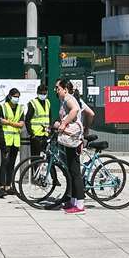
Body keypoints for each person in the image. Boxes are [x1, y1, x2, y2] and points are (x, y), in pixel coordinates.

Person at [52, 79, 91, 214]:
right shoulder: (64, 100)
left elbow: (75, 110)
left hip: (74, 140)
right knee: (72, 171)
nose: (56, 90)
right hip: (70, 140)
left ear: (65, 89)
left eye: (58, 87)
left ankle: (80, 204)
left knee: (75, 172)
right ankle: (74, 201)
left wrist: (63, 124)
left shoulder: (69, 99)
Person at [0, 87, 25, 197]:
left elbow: (21, 124)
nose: (16, 98)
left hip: (15, 141)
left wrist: (7, 122)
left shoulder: (20, 108)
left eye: (18, 97)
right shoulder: (2, 107)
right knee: (4, 162)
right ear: (10, 96)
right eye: (15, 96)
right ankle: (2, 187)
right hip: (5, 140)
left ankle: (9, 186)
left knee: (11, 164)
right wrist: (14, 123)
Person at [25, 81, 51, 167]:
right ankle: (35, 177)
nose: (43, 95)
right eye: (41, 93)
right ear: (37, 93)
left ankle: (53, 179)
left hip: (46, 134)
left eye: (44, 93)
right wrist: (32, 134)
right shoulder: (33, 103)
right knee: (35, 158)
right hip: (36, 135)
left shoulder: (48, 102)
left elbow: (49, 118)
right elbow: (27, 120)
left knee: (48, 157)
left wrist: (49, 131)